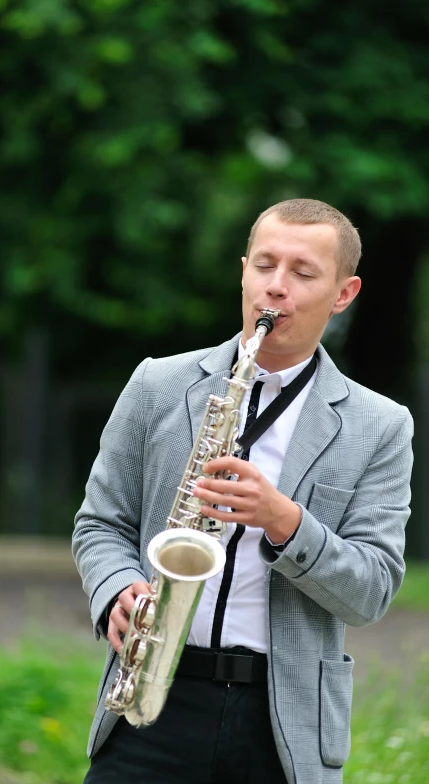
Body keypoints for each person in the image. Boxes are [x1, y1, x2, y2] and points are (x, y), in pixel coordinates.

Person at [72, 199, 413, 784]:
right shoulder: (158, 383)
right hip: (153, 701)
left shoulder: (380, 425)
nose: (275, 289)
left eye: (303, 273)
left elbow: (373, 590)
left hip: (283, 725)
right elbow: (100, 522)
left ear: (343, 293)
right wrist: (115, 589)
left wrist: (283, 520)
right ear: (243, 269)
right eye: (264, 265)